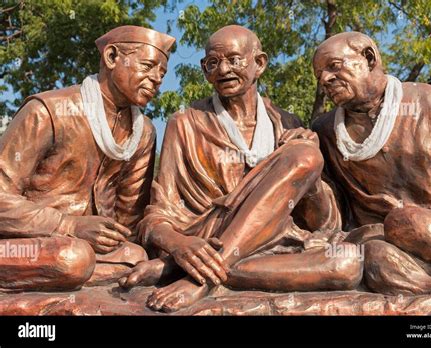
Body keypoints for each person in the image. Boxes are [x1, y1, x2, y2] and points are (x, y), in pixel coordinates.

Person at [120, 25, 363, 312]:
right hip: (206, 237)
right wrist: (177, 246)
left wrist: (310, 175)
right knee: (304, 158)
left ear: (259, 63)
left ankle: (196, 271)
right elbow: (158, 215)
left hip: (272, 244)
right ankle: (204, 277)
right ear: (204, 69)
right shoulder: (185, 123)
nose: (223, 70)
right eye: (213, 63)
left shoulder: (289, 124)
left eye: (234, 60)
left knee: (347, 264)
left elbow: (324, 224)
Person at [0, 25, 175, 291]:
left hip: (90, 252)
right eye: (148, 66)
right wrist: (67, 224)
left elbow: (128, 220)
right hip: (23, 243)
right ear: (112, 57)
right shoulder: (48, 111)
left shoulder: (143, 133)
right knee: (73, 259)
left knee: (134, 257)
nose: (157, 79)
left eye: (161, 72)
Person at [312, 31, 431, 295]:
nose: (326, 80)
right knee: (377, 258)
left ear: (369, 57)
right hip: (390, 249)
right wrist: (302, 153)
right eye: (320, 76)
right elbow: (329, 217)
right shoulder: (325, 132)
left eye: (334, 67)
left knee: (408, 222)